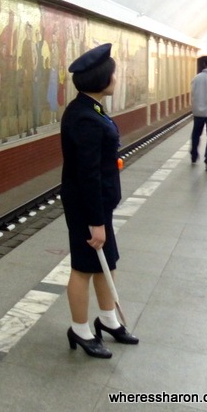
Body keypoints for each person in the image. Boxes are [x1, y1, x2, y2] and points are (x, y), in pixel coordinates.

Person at [60, 43, 138, 359]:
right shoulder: (85, 117)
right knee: (83, 268)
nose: (116, 78)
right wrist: (96, 222)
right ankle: (79, 330)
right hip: (86, 205)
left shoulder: (90, 107)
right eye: (113, 74)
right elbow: (88, 173)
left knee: (109, 262)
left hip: (98, 204)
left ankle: (107, 320)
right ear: (101, 79)